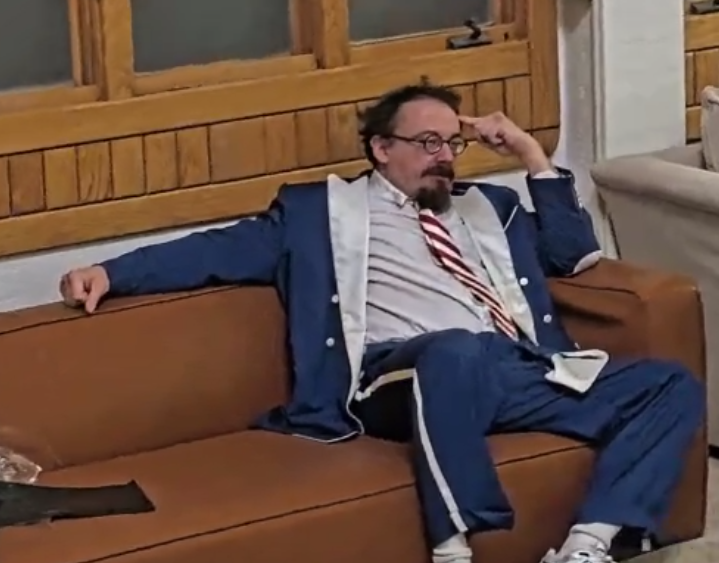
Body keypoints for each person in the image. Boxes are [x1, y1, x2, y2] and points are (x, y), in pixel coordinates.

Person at [59, 81, 705, 563]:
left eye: (452, 143)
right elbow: (214, 251)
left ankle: (588, 543)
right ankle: (454, 543)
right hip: (394, 378)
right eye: (427, 143)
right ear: (380, 148)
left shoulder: (489, 208)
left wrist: (531, 154)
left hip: (513, 370)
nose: (444, 156)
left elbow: (573, 253)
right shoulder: (320, 215)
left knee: (669, 384)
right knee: (454, 349)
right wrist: (111, 272)